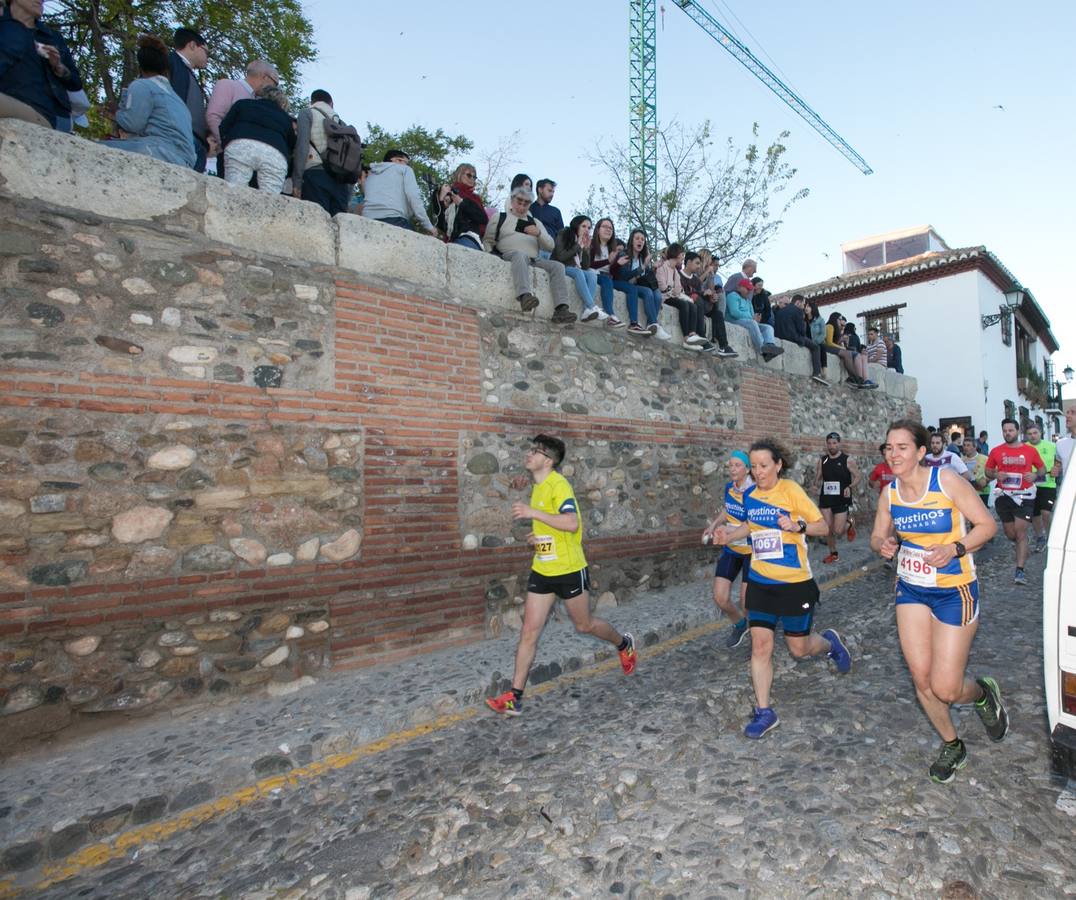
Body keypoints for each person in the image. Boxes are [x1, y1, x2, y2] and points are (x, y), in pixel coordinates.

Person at [871, 419, 1005, 784]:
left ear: (919, 451)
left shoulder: (945, 481)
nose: (893, 454)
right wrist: (883, 545)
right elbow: (877, 536)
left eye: (901, 447)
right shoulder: (890, 494)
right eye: (888, 447)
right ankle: (952, 744)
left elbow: (987, 526)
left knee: (946, 687)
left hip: (954, 590)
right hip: (912, 588)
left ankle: (981, 694)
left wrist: (954, 548)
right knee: (922, 678)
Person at [710, 439, 852, 739]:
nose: (758, 472)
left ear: (778, 465)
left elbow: (822, 527)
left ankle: (829, 644)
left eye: (764, 466)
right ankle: (765, 711)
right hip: (761, 581)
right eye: (754, 467)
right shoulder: (749, 495)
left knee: (799, 649)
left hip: (794, 584)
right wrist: (728, 535)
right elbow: (750, 526)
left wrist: (797, 526)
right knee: (761, 646)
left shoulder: (790, 491)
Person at [486, 434, 636, 716]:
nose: (529, 455)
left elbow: (570, 522)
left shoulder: (559, 485)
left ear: (548, 460)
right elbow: (552, 525)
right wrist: (537, 537)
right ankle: (513, 697)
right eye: (530, 450)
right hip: (543, 569)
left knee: (584, 625)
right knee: (529, 632)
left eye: (535, 451)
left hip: (569, 569)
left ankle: (623, 643)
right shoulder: (539, 486)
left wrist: (533, 513)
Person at [483, 186, 576, 323]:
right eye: (519, 202)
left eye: (526, 203)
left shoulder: (536, 222)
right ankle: (524, 296)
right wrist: (490, 255)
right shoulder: (500, 217)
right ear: (512, 200)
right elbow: (488, 240)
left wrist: (538, 234)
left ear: (529, 204)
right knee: (520, 255)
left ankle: (561, 309)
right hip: (509, 254)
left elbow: (550, 246)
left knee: (558, 266)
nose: (521, 206)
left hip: (534, 259)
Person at [105, 35, 196, 169]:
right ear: (165, 69)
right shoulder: (178, 100)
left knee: (98, 147)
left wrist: (117, 114)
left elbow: (133, 124)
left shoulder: (142, 86)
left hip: (160, 151)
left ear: (140, 67)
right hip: (186, 160)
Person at [0, 0, 82, 129]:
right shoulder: (6, 27)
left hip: (48, 113)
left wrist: (59, 67)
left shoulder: (52, 37)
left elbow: (76, 83)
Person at [701, 451, 754, 649]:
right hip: (732, 549)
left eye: (737, 465)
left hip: (751, 550)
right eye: (730, 465)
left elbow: (752, 524)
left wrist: (729, 530)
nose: (732, 469)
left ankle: (757, 636)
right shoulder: (729, 488)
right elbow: (728, 509)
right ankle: (740, 625)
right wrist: (714, 524)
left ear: (747, 469)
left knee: (746, 602)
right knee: (720, 597)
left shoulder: (754, 491)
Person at [985, 418, 1045, 585]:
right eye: (1004, 431)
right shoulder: (996, 451)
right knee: (1011, 533)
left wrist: (1035, 476)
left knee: (1020, 532)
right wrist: (996, 475)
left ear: (1017, 431)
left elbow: (1042, 469)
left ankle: (1019, 571)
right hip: (1004, 495)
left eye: (1010, 430)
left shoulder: (1030, 451)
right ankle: (1022, 544)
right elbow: (988, 471)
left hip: (1024, 495)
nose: (1007, 433)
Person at [219, 84, 294, 194]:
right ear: (282, 102)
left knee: (234, 191)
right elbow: (291, 143)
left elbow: (223, 127)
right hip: (275, 152)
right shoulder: (286, 118)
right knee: (270, 199)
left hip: (241, 145)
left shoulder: (243, 104)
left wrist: (225, 143)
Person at [205, 59, 280, 164]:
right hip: (224, 155)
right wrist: (226, 144)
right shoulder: (228, 85)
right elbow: (214, 116)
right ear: (265, 77)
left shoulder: (259, 101)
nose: (275, 88)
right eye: (275, 83)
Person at [292, 90, 353, 216]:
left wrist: (297, 181)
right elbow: (351, 159)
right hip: (340, 181)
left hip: (315, 174)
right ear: (331, 104)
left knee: (316, 222)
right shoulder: (343, 125)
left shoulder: (307, 113)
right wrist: (348, 195)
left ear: (312, 101)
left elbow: (302, 147)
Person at [362, 148, 439, 234]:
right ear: (395, 160)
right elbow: (414, 197)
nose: (407, 165)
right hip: (394, 219)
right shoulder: (405, 170)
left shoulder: (371, 175)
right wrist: (428, 225)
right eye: (405, 162)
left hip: (366, 220)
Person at [655, 243, 715, 351]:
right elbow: (663, 287)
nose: (683, 258)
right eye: (682, 255)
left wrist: (676, 291)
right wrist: (674, 291)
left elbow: (679, 288)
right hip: (665, 297)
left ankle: (692, 335)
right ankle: (686, 338)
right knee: (684, 304)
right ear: (676, 255)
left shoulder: (675, 272)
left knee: (691, 305)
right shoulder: (662, 267)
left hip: (673, 296)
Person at [167, 27, 211, 172]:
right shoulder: (170, 63)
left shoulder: (187, 73)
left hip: (193, 141)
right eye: (206, 52)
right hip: (178, 137)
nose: (207, 57)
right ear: (192, 45)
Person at [608, 227, 665, 336]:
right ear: (632, 240)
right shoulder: (624, 254)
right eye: (637, 238)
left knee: (655, 294)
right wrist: (642, 267)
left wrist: (653, 267)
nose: (640, 241)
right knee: (646, 292)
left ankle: (651, 324)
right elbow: (623, 276)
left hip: (635, 284)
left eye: (642, 239)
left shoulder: (642, 257)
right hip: (620, 282)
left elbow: (645, 277)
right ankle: (652, 323)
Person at [552, 215, 607, 323]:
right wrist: (578, 246)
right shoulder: (564, 233)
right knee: (578, 272)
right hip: (560, 266)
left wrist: (586, 250)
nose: (587, 230)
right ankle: (592, 306)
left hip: (574, 268)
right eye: (584, 226)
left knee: (592, 275)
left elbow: (586, 266)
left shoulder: (583, 239)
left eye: (589, 227)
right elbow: (561, 256)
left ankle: (586, 310)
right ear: (577, 225)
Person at [816, 431, 860, 564]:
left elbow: (858, 476)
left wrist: (850, 487)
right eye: (829, 443)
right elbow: (817, 478)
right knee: (827, 529)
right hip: (826, 498)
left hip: (842, 498)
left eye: (834, 443)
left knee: (838, 530)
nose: (832, 446)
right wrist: (815, 485)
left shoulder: (847, 460)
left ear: (839, 444)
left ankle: (850, 523)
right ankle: (833, 554)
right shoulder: (823, 460)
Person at [682, 252, 737, 357]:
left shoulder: (709, 272)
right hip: (695, 299)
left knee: (718, 314)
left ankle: (724, 346)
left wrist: (713, 294)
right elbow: (695, 283)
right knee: (700, 301)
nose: (710, 262)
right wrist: (707, 273)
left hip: (705, 301)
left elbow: (711, 290)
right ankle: (702, 338)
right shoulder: (695, 270)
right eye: (709, 259)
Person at [726, 278, 783, 361]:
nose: (749, 291)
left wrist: (756, 318)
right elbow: (734, 312)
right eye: (747, 288)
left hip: (747, 321)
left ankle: (770, 345)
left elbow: (752, 315)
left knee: (768, 327)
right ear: (739, 287)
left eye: (750, 289)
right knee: (752, 323)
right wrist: (752, 318)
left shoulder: (748, 301)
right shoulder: (732, 296)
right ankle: (762, 350)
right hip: (734, 320)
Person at [774, 293, 826, 385]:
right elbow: (801, 330)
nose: (803, 307)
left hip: (779, 336)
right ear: (798, 302)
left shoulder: (780, 311)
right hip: (793, 337)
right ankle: (817, 373)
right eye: (803, 304)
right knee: (816, 347)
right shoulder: (798, 311)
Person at [437, 163, 488, 248]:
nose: (472, 179)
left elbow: (483, 218)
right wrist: (441, 199)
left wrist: (461, 203)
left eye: (474, 177)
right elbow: (439, 222)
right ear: (459, 175)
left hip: (470, 237)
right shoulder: (448, 192)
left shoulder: (475, 198)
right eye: (469, 175)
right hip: (451, 239)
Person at [1025, 423, 1058, 553]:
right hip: (1030, 485)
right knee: (1035, 514)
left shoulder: (1052, 446)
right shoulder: (1024, 447)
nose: (1033, 436)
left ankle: (1052, 537)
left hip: (1048, 483)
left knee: (1046, 512)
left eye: (1035, 433)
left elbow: (1059, 461)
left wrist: (1057, 468)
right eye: (1030, 434)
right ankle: (1040, 538)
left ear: (1041, 433)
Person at [824, 312, 876, 388]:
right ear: (835, 319)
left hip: (833, 348)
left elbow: (836, 343)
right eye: (839, 319)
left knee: (852, 354)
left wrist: (843, 342)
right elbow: (829, 343)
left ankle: (856, 378)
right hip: (827, 347)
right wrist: (842, 348)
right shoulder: (830, 326)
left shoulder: (836, 329)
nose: (840, 321)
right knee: (847, 354)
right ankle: (856, 378)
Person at [530, 178, 563, 250]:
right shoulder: (529, 209)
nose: (552, 194)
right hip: (531, 247)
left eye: (553, 192)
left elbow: (561, 235)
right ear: (540, 190)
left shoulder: (556, 211)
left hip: (551, 251)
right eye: (549, 191)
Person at [961, 436, 991, 505]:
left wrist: (986, 480)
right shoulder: (961, 460)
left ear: (975, 447)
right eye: (964, 445)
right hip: (967, 492)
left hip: (982, 492)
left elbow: (993, 472)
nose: (965, 447)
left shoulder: (985, 459)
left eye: (968, 445)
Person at [1056, 407, 1076, 477]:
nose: (1067, 416)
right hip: (1069, 487)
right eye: (1067, 413)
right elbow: (1060, 464)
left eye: (1073, 412)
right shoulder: (1060, 443)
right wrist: (1057, 469)